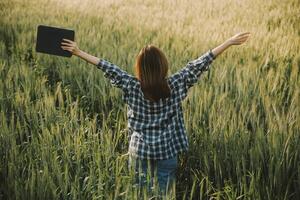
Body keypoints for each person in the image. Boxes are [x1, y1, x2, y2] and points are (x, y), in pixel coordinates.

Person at [61, 32, 250, 198]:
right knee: (165, 195)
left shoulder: (131, 85)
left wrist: (78, 52)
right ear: (163, 66)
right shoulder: (176, 84)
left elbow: (107, 67)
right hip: (166, 153)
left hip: (139, 153)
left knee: (139, 194)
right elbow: (199, 64)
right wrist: (228, 42)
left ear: (139, 68)